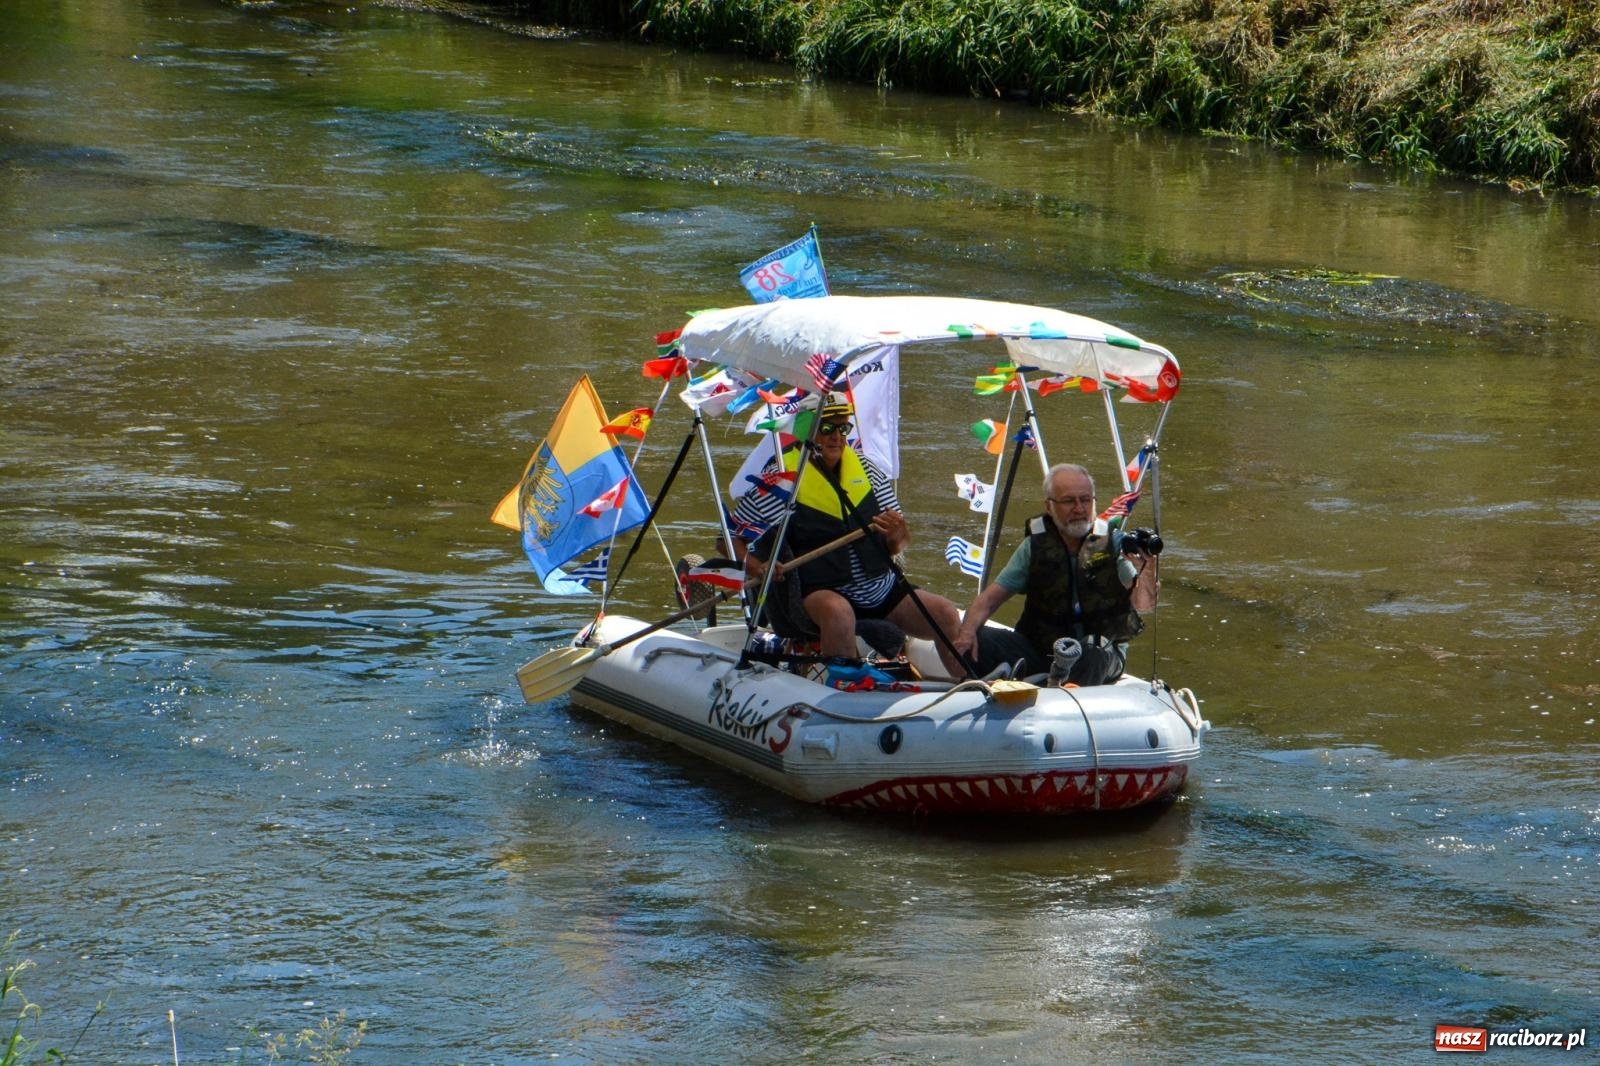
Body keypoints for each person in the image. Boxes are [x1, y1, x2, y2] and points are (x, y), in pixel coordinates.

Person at [731, 395, 969, 682]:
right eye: (827, 429)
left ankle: (971, 683)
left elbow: (900, 544)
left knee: (944, 612)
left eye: (843, 429)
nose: (837, 438)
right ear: (807, 431)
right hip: (820, 590)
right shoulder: (782, 479)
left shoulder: (868, 471)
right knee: (838, 611)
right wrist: (758, 566)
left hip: (880, 587)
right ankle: (847, 684)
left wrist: (896, 532)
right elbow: (730, 538)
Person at [953, 463, 1159, 685]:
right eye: (1069, 501)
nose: (1079, 508)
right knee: (978, 638)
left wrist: (1147, 569)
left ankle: (1068, 702)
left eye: (1085, 500)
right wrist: (967, 633)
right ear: (1049, 506)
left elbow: (1144, 604)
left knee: (1092, 649)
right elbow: (989, 600)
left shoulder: (1112, 544)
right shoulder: (1035, 546)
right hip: (1040, 648)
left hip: (1097, 654)